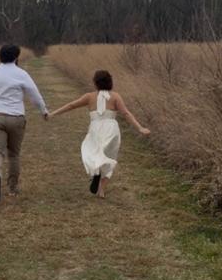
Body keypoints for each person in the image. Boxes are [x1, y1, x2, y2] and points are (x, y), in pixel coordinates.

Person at [49, 70, 150, 198]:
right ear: (110, 82)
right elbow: (126, 113)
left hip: (95, 129)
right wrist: (140, 128)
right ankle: (101, 190)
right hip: (111, 129)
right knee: (110, 157)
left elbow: (71, 105)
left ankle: (96, 173)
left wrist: (53, 114)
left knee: (94, 153)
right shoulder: (115, 96)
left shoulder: (89, 96)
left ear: (95, 83)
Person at [0, 44, 49, 203]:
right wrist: (43, 110)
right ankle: (12, 188)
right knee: (14, 154)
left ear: (0, 56)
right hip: (16, 118)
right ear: (16, 57)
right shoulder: (22, 74)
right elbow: (34, 95)